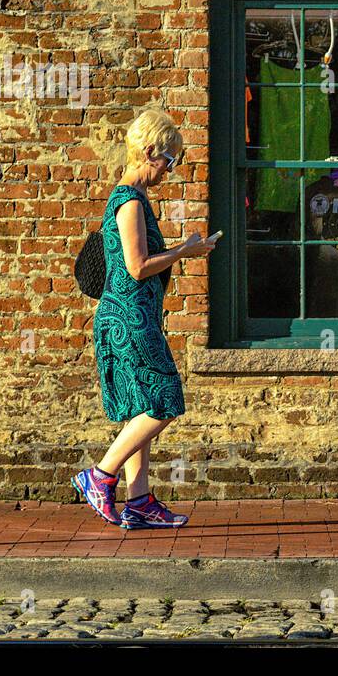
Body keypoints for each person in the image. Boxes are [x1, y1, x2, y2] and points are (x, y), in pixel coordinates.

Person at [72, 108, 216, 528]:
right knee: (165, 398)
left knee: (140, 407)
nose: (170, 170)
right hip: (129, 318)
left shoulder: (134, 197)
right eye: (169, 160)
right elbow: (137, 266)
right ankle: (100, 476)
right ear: (150, 151)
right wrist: (183, 252)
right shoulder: (130, 199)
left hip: (133, 315)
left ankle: (139, 501)